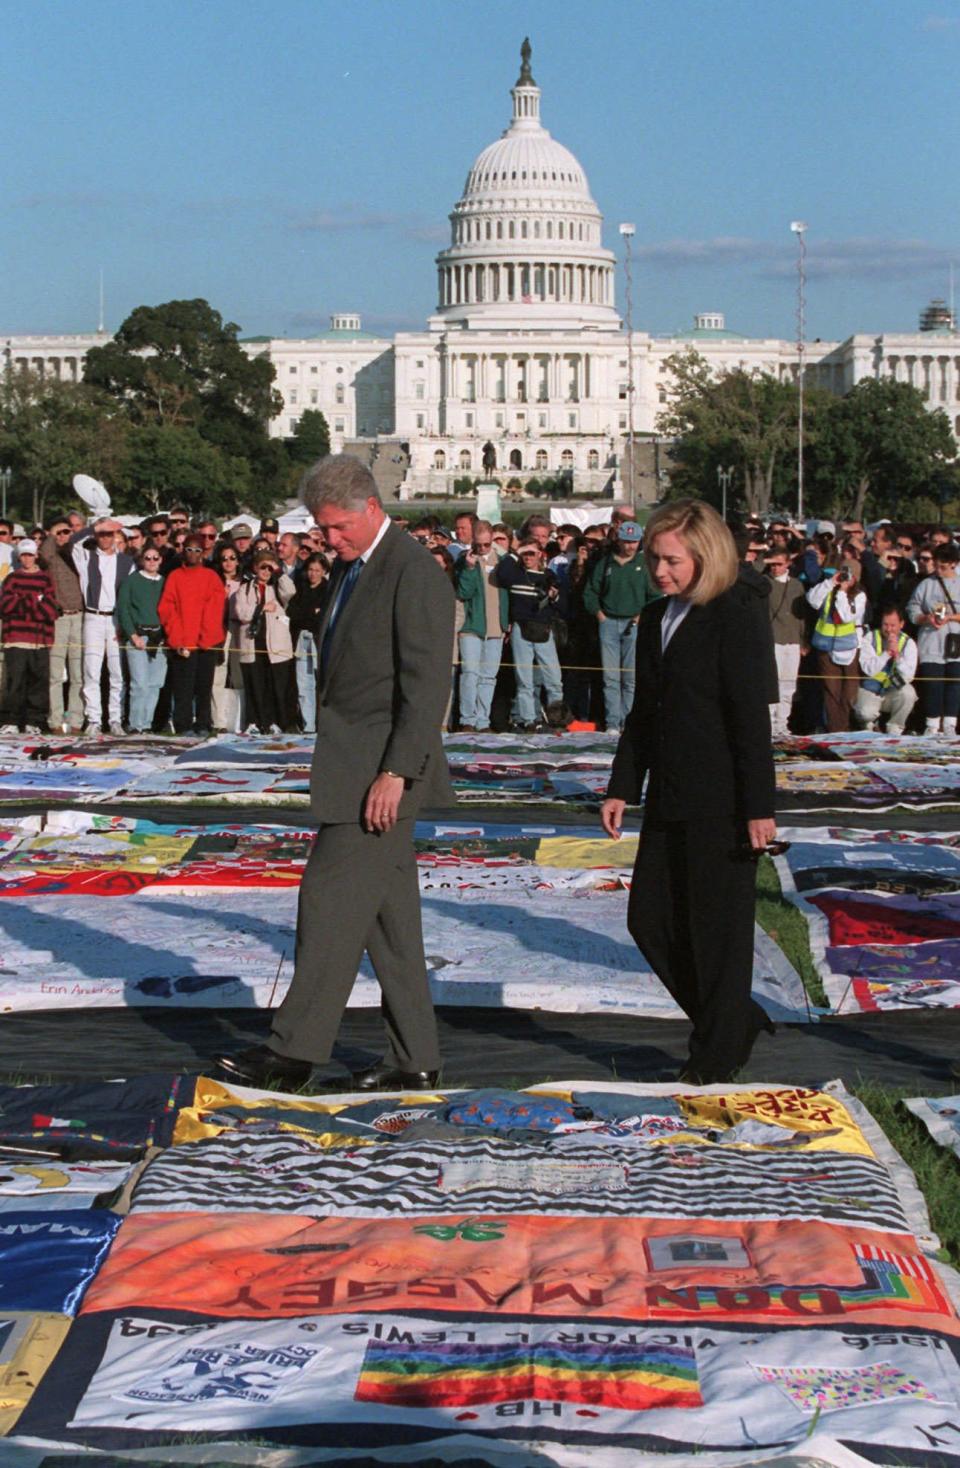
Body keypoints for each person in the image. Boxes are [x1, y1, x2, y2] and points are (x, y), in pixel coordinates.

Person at [213, 453, 454, 1092]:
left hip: (381, 774)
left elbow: (426, 687)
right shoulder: (357, 567)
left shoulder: (412, 573)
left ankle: (294, 1053)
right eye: (323, 528)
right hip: (356, 765)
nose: (329, 538)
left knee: (326, 903)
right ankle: (416, 1058)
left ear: (372, 508)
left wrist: (398, 771)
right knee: (389, 923)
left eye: (339, 526)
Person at [600, 498, 777, 1085]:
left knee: (716, 933)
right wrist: (622, 785)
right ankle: (732, 1020)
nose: (660, 571)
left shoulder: (736, 615)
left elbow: (749, 719)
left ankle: (715, 1053)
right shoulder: (655, 619)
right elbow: (643, 714)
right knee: (648, 920)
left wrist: (759, 808)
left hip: (723, 800)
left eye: (672, 560)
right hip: (670, 795)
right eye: (654, 559)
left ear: (706, 556)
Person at [582, 519, 658, 734]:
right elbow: (590, 591)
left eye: (634, 542)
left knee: (630, 677)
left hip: (633, 623)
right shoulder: (606, 563)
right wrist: (599, 615)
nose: (629, 546)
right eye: (626, 541)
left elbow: (654, 596)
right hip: (608, 622)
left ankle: (629, 721)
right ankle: (613, 722)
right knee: (610, 676)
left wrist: (641, 616)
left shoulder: (645, 565)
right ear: (619, 541)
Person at [157, 533, 226, 735]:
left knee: (204, 687)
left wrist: (206, 637)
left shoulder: (211, 577)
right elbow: (167, 610)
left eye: (197, 550)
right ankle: (183, 724)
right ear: (182, 551)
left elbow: (215, 608)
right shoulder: (175, 577)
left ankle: (203, 723)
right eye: (189, 549)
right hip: (183, 643)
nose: (193, 554)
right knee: (183, 688)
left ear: (203, 554)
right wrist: (178, 639)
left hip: (206, 643)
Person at [71, 517, 134, 735]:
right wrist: (95, 526)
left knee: (116, 672)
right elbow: (73, 542)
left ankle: (116, 719)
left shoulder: (127, 562)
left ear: (115, 536)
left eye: (109, 534)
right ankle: (94, 720)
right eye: (101, 534)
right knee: (91, 670)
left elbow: (130, 595)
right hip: (93, 617)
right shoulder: (86, 557)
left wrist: (125, 624)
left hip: (115, 618)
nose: (105, 538)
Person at [496, 537, 566, 731]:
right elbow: (501, 574)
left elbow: (563, 605)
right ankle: (528, 720)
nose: (528, 557)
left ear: (540, 555)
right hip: (521, 628)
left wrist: (554, 596)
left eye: (531, 553)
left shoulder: (549, 575)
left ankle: (556, 719)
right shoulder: (516, 574)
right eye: (524, 554)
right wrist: (515, 550)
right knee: (524, 679)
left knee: (553, 679)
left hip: (544, 628)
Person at [232, 549, 298, 733]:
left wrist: (279, 572)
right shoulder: (244, 589)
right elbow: (242, 613)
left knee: (274, 685)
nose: (266, 572)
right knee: (254, 684)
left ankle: (275, 721)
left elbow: (291, 591)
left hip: (275, 646)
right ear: (255, 568)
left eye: (270, 568)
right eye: (263, 567)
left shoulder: (277, 588)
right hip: (252, 644)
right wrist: (261, 608)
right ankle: (254, 720)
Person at [454, 520, 509, 732]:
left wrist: (507, 622)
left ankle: (483, 720)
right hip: (472, 626)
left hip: (496, 627)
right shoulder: (464, 561)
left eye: (487, 544)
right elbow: (463, 593)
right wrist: (468, 568)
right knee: (470, 673)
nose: (483, 549)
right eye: (479, 545)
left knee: (488, 677)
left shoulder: (503, 560)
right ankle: (467, 719)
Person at [0, 540, 60, 734]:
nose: (27, 559)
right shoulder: (12, 579)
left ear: (36, 556)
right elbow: (6, 607)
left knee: (38, 681)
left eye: (30, 555)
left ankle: (34, 721)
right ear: (19, 557)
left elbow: (50, 611)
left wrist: (23, 601)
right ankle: (11, 719)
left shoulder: (45, 579)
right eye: (23, 555)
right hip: (15, 637)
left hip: (39, 640)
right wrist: (35, 601)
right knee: (15, 681)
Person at [806, 558, 867, 732]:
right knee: (831, 692)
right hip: (826, 646)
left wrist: (842, 592)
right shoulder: (829, 588)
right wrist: (831, 583)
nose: (847, 578)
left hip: (849, 647)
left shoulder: (860, 595)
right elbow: (812, 600)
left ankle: (845, 725)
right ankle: (836, 730)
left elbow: (847, 616)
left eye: (850, 575)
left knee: (848, 694)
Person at [907, 540, 960, 735]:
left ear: (954, 563)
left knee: (954, 683)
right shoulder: (926, 584)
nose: (938, 570)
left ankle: (950, 724)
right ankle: (932, 724)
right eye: (936, 565)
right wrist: (925, 618)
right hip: (931, 641)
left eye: (943, 567)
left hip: (955, 641)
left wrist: (950, 617)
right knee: (932, 684)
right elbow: (912, 609)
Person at [38, 516, 84, 733]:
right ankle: (55, 720)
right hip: (60, 618)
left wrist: (72, 537)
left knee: (78, 673)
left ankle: (76, 720)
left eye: (68, 532)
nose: (64, 536)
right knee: (56, 673)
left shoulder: (78, 555)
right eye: (61, 532)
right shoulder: (51, 556)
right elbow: (44, 554)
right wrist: (53, 533)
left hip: (81, 617)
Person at [116, 546, 167, 732]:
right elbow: (124, 609)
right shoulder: (132, 581)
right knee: (140, 684)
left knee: (155, 684)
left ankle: (147, 724)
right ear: (142, 560)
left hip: (159, 638)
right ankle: (135, 724)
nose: (152, 561)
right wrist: (133, 635)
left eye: (155, 558)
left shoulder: (164, 582)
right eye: (148, 558)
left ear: (160, 560)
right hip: (138, 636)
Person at [854, 607, 918, 735]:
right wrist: (887, 653)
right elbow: (868, 669)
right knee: (865, 713)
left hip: (892, 690)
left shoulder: (908, 643)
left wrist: (897, 657)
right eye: (885, 624)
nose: (889, 629)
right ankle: (869, 725)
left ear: (902, 624)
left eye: (893, 625)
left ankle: (895, 728)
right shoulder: (870, 637)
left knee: (908, 694)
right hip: (871, 689)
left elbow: (909, 676)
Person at [764, 548, 807, 737]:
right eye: (771, 564)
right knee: (773, 683)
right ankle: (771, 723)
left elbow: (802, 616)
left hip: (793, 640)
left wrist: (804, 640)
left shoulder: (797, 585)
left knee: (789, 685)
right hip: (773, 639)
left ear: (788, 564)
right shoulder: (765, 583)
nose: (775, 568)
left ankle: (782, 722)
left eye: (779, 564)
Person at [286, 552, 328, 733]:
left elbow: (323, 617)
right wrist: (312, 612)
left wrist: (312, 614)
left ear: (323, 571)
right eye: (310, 570)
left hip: (319, 639)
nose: (313, 574)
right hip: (302, 639)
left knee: (321, 682)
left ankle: (322, 722)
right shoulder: (300, 588)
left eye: (317, 570)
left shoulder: (328, 590)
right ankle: (308, 723)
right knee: (303, 681)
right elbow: (294, 614)